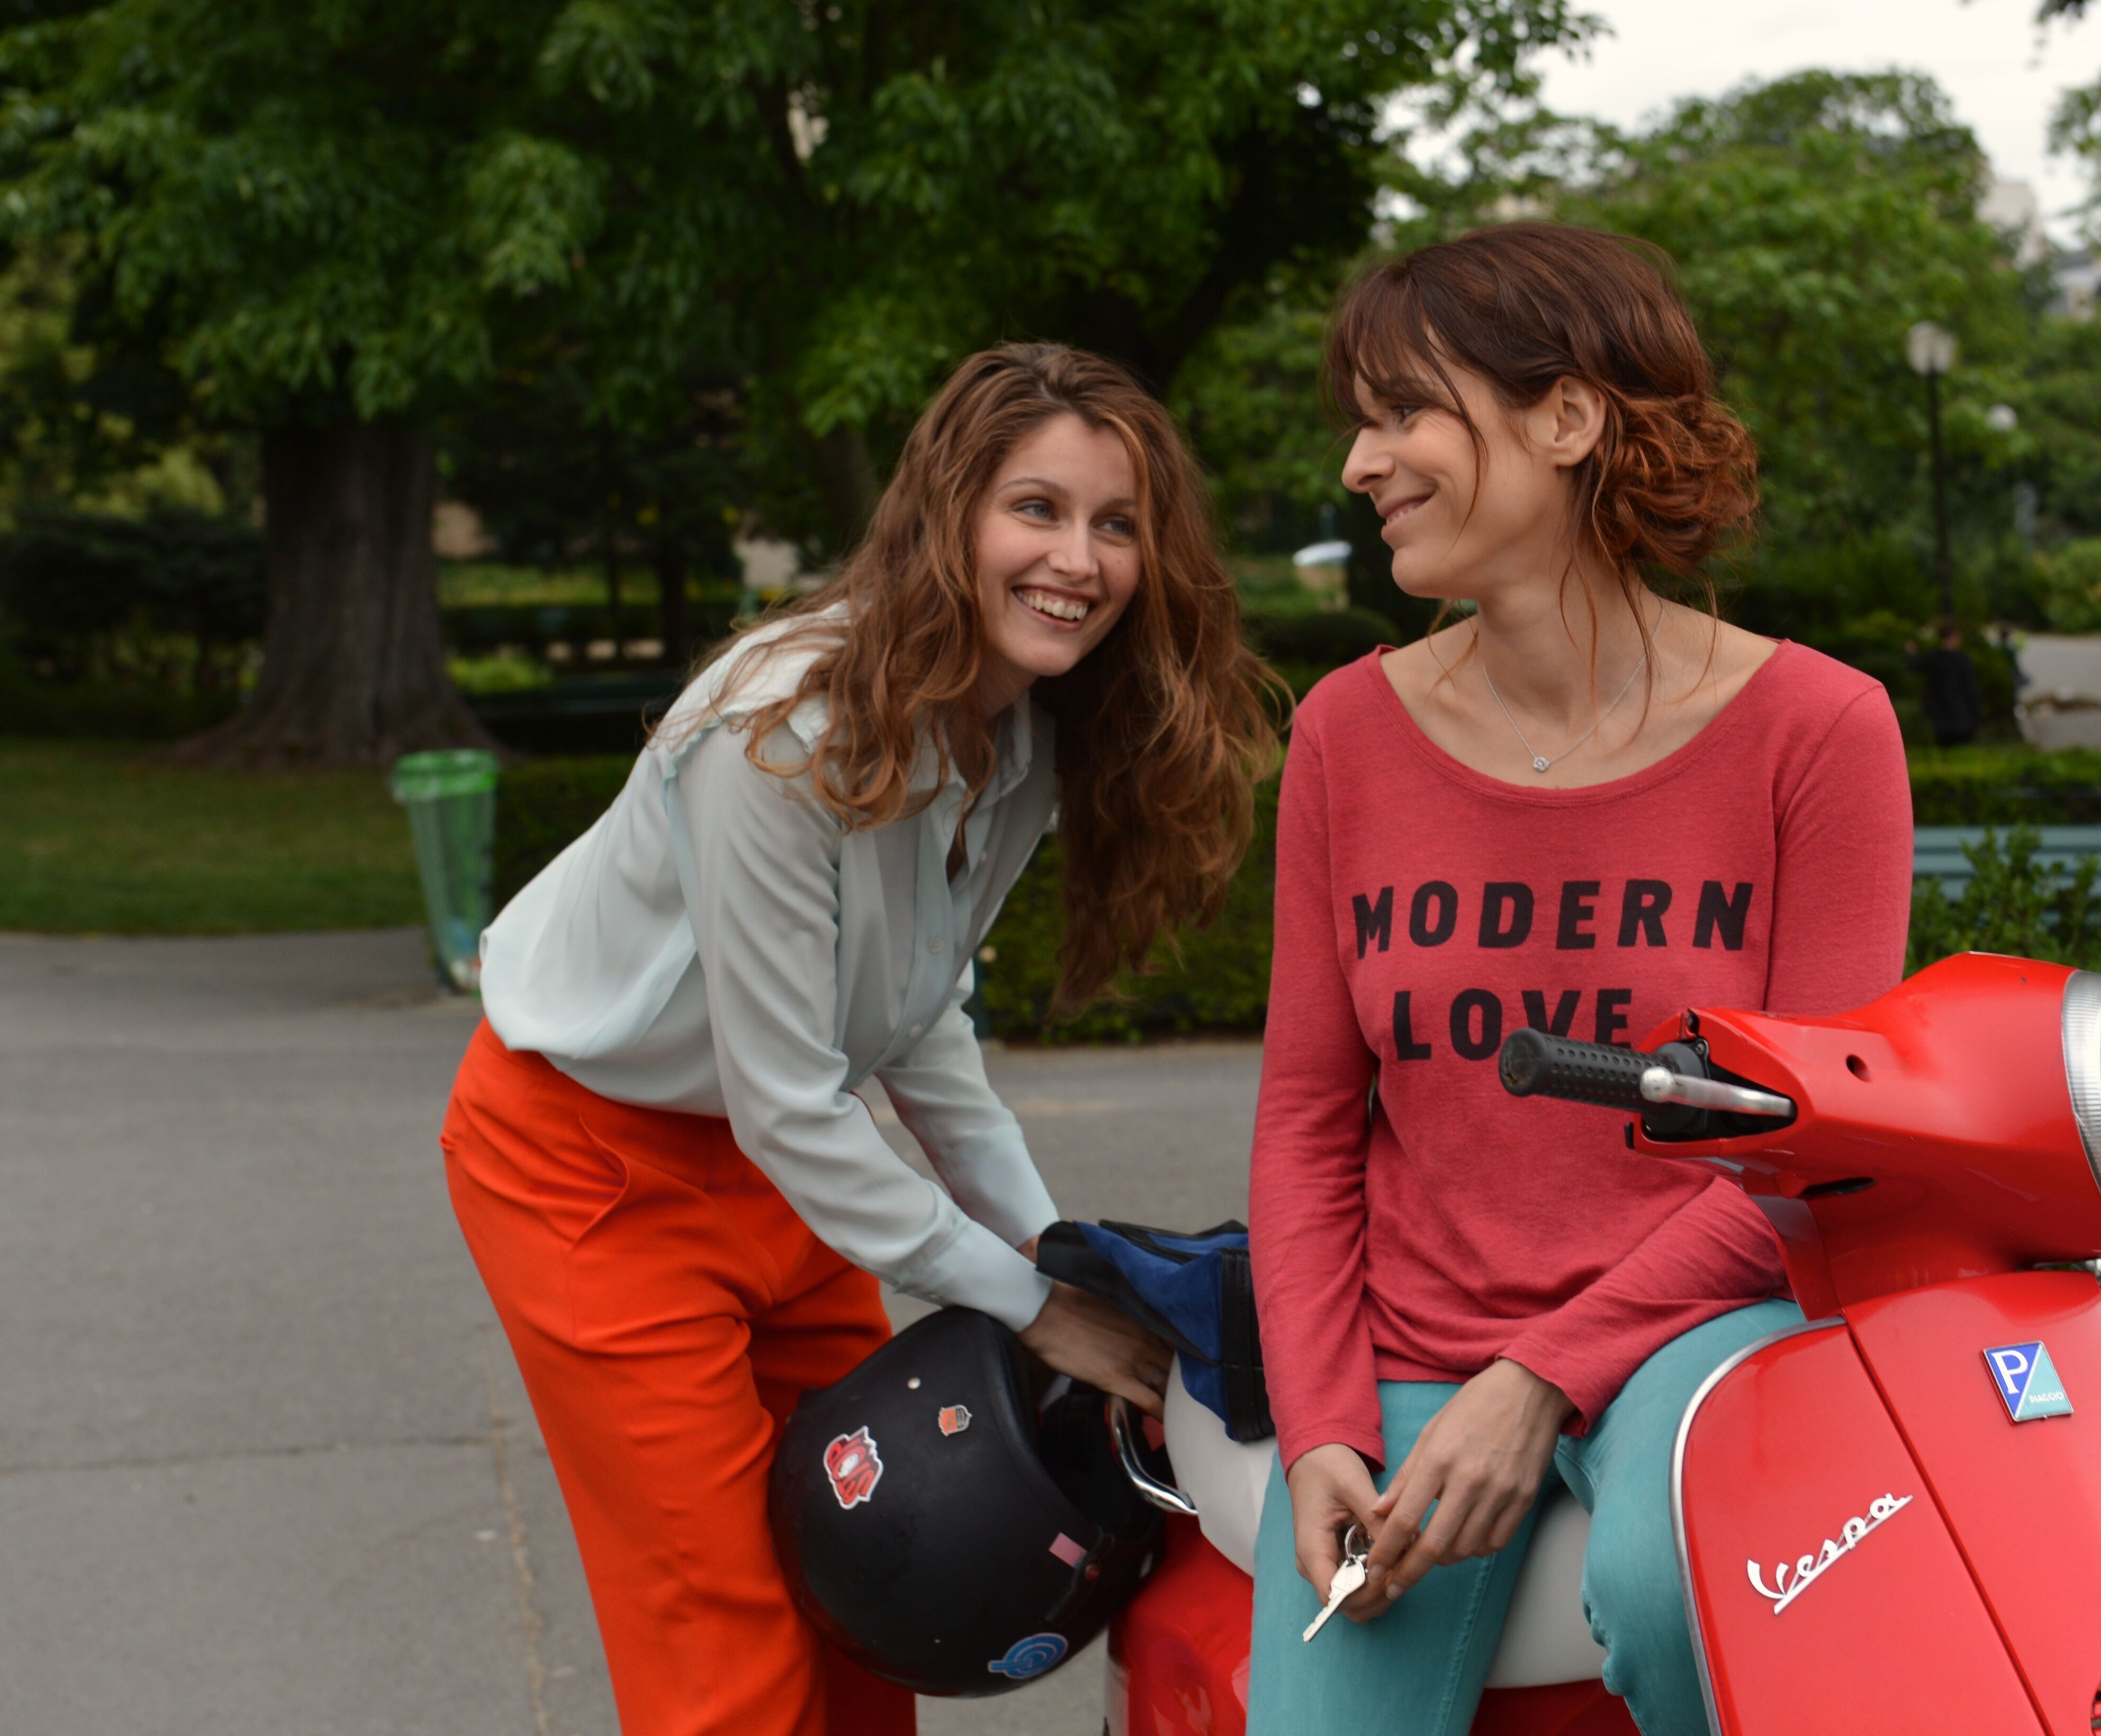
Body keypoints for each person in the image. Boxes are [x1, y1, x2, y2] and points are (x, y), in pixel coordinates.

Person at [441, 345, 1278, 1736]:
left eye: (1116, 523)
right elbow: (789, 1096)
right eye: (1038, 509)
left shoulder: (1018, 741)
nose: (1079, 558)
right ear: (948, 513)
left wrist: (1052, 1261)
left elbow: (915, 1026)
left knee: (865, 1577)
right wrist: (1030, 1311)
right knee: (724, 1626)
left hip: (796, 1179)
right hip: (592, 1174)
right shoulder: (777, 732)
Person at [1247, 224, 1913, 1735]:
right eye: (1361, 421)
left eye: (1404, 411)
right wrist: (1320, 1430)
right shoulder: (1346, 735)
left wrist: (1540, 1377)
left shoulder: (1818, 730)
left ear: (1565, 419)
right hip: (1414, 1342)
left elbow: (1816, 1151)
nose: (1360, 463)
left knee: (1685, 1594)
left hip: (1707, 1323)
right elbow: (1301, 1123)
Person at [1906, 617, 1985, 747]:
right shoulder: (1962, 661)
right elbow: (1971, 689)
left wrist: (1911, 653)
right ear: (1955, 637)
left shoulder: (1934, 658)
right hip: (1961, 717)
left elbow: (1915, 666)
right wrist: (1977, 716)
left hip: (1938, 718)